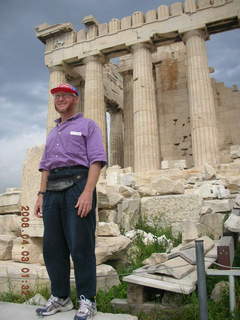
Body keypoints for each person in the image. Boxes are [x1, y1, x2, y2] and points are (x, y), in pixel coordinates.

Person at [34, 83, 107, 320]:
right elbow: (45, 166)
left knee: (81, 245)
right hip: (53, 189)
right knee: (52, 247)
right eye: (57, 96)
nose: (60, 99)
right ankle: (61, 297)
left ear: (75, 98)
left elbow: (96, 160)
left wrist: (87, 192)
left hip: (78, 185)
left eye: (65, 95)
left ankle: (87, 299)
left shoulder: (88, 125)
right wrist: (40, 194)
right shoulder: (53, 132)